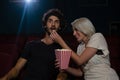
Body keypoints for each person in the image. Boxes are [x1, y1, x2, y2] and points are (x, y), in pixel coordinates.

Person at [0, 8, 66, 80]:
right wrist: (4, 78)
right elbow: (16, 69)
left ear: (59, 26)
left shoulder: (62, 49)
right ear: (45, 25)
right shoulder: (31, 45)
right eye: (50, 21)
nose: (53, 24)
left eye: (56, 22)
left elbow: (63, 73)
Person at [50, 17, 119, 80]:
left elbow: (80, 60)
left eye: (76, 30)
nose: (74, 33)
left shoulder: (97, 37)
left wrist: (61, 42)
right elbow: (80, 73)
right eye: (73, 31)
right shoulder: (80, 47)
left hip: (105, 77)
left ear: (85, 29)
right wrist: (65, 68)